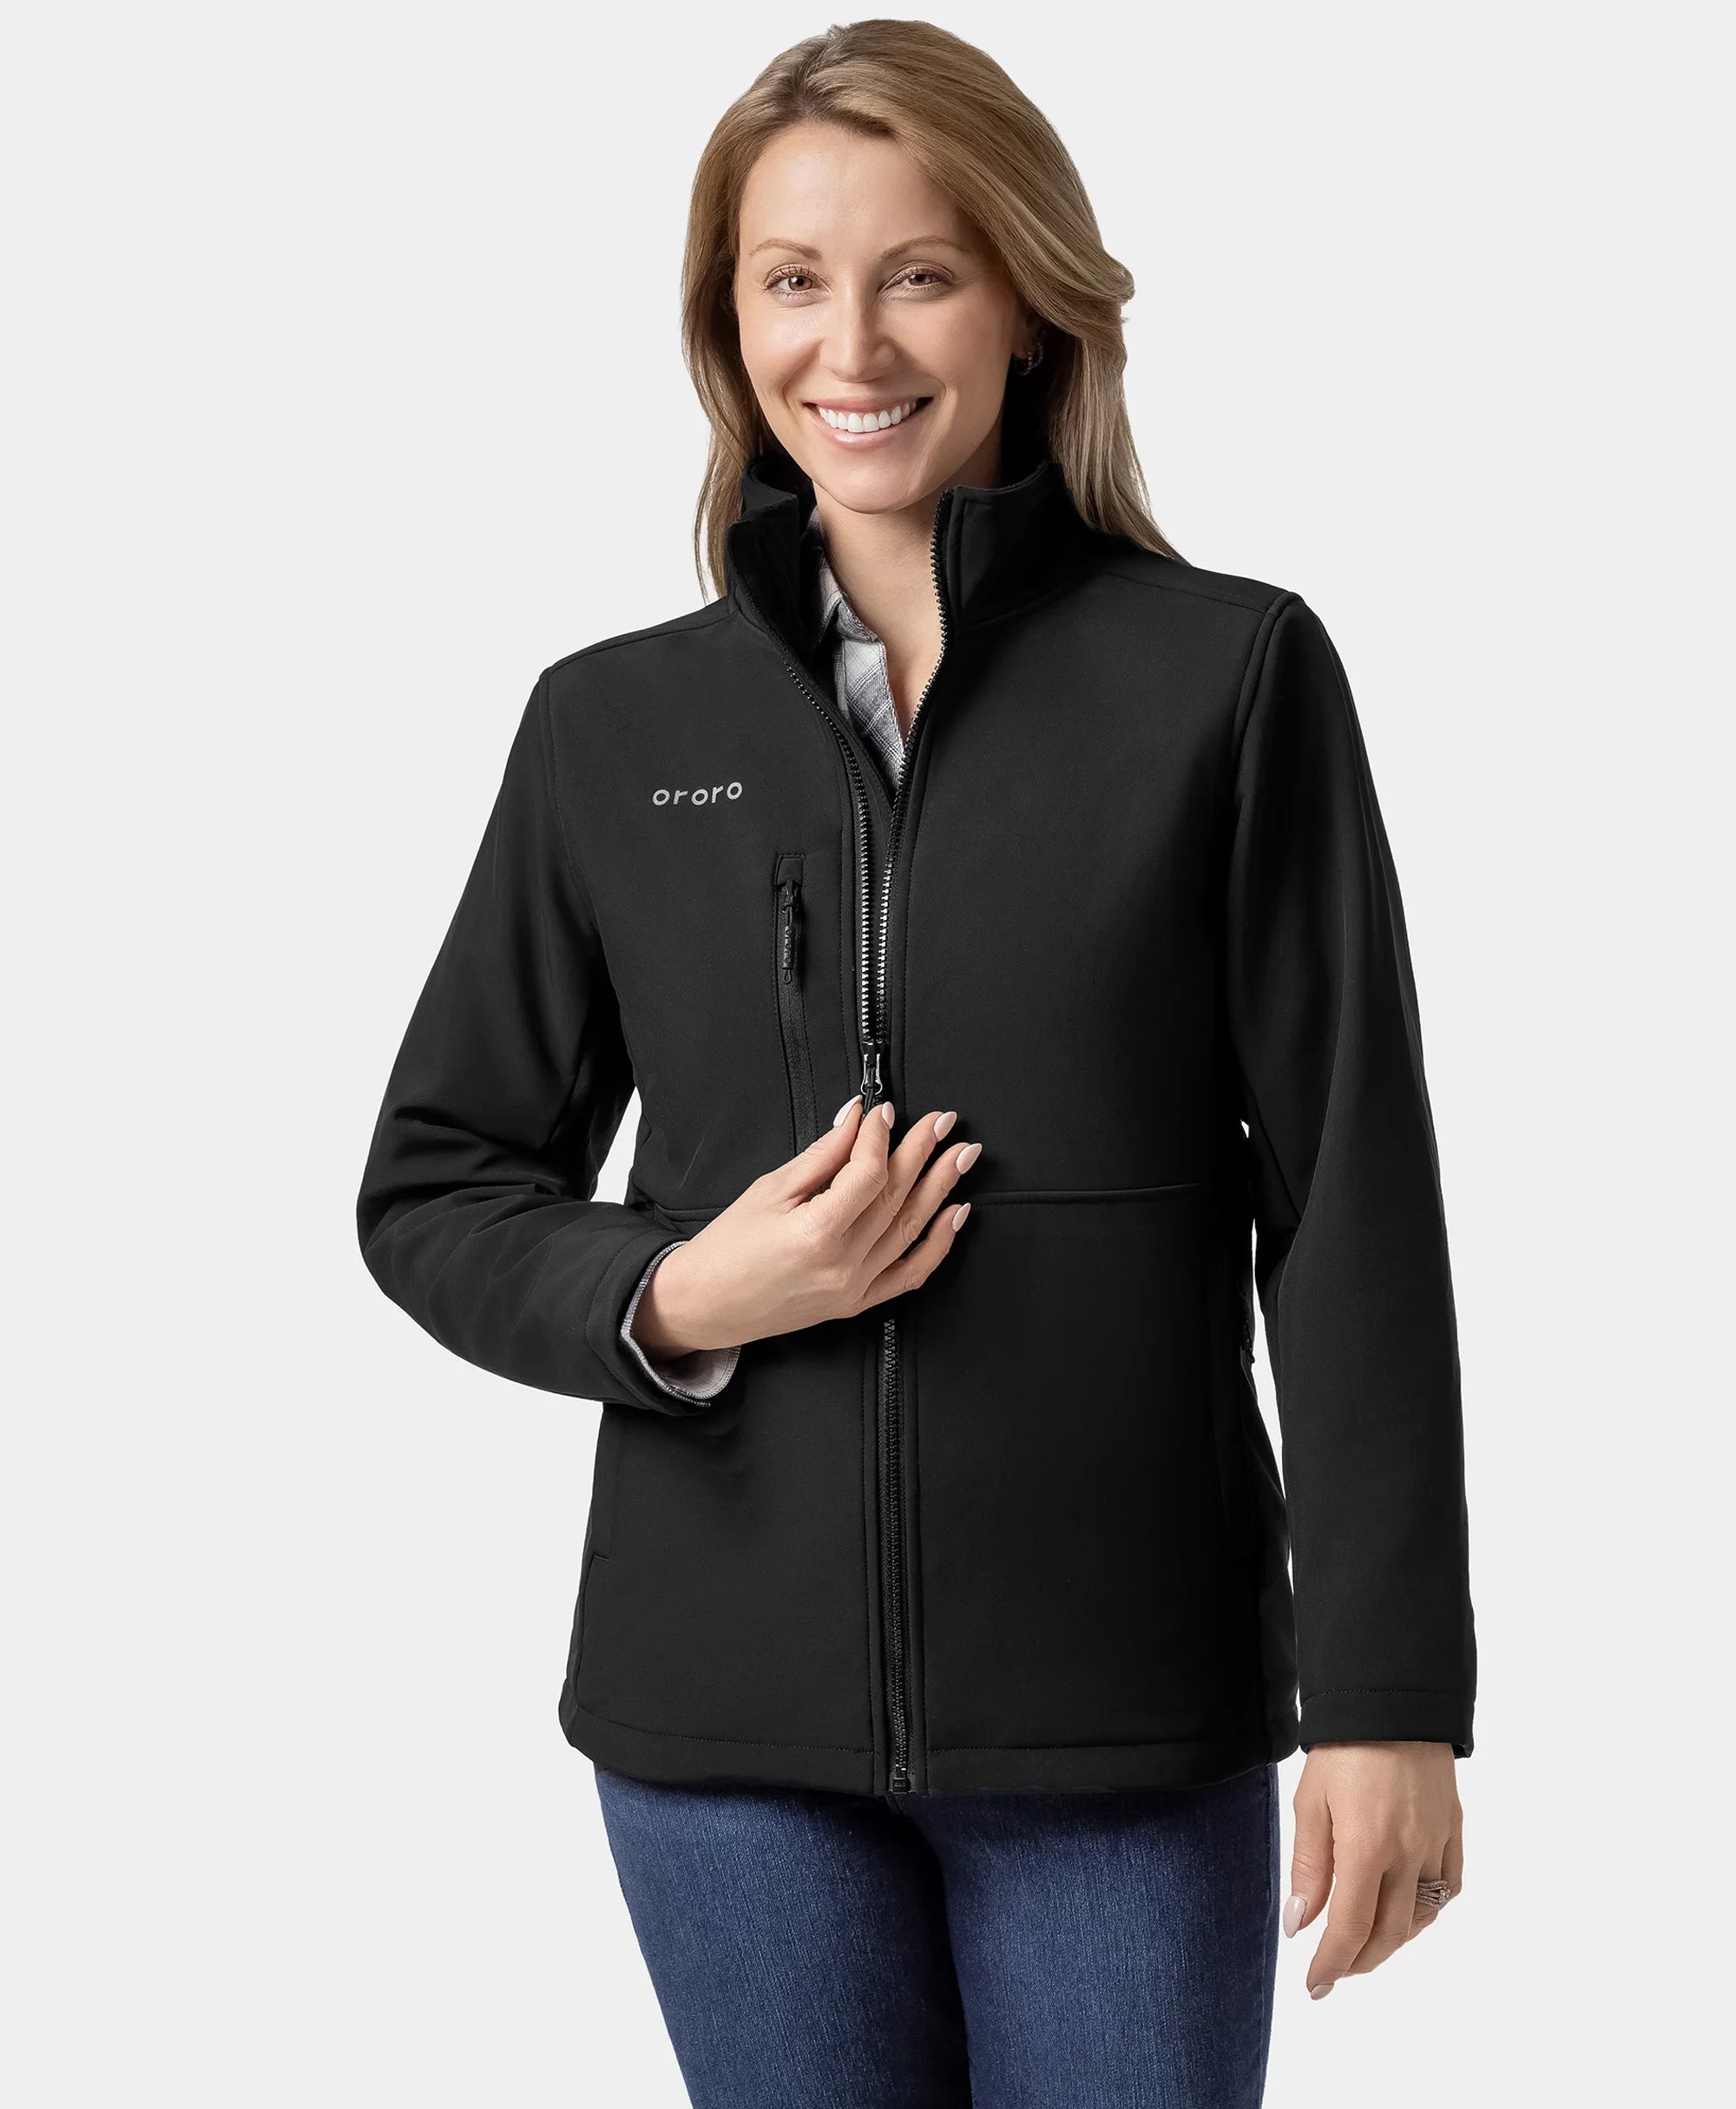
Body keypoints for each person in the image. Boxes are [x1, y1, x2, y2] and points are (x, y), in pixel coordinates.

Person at [356, 19, 1475, 2106]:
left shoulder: (1225, 678)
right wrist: (682, 1290)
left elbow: (1349, 1206)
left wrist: (1389, 1694)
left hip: (1120, 1722)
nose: (848, 345)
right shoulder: (612, 727)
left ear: (1029, 305)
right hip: (720, 1734)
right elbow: (436, 1183)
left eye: (919, 274)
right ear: (729, 323)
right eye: (790, 279)